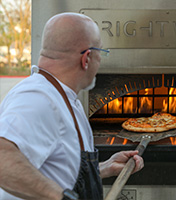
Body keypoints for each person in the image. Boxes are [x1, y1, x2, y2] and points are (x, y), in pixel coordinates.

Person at [0, 12, 144, 200]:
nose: (99, 62)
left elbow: (55, 173)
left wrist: (104, 168)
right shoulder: (38, 97)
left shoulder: (61, 96)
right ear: (87, 58)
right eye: (101, 53)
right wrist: (63, 197)